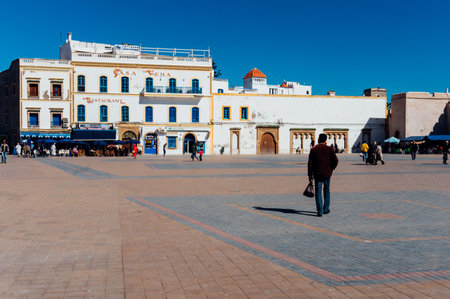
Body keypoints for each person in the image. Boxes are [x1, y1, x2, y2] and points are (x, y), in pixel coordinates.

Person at [308, 133, 339, 217]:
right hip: (327, 174)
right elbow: (336, 161)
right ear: (325, 140)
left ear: (319, 139)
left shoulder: (314, 150)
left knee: (318, 192)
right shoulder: (330, 149)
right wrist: (331, 168)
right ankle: (326, 209)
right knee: (327, 190)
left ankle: (320, 211)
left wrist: (310, 175)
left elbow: (310, 164)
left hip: (317, 174)